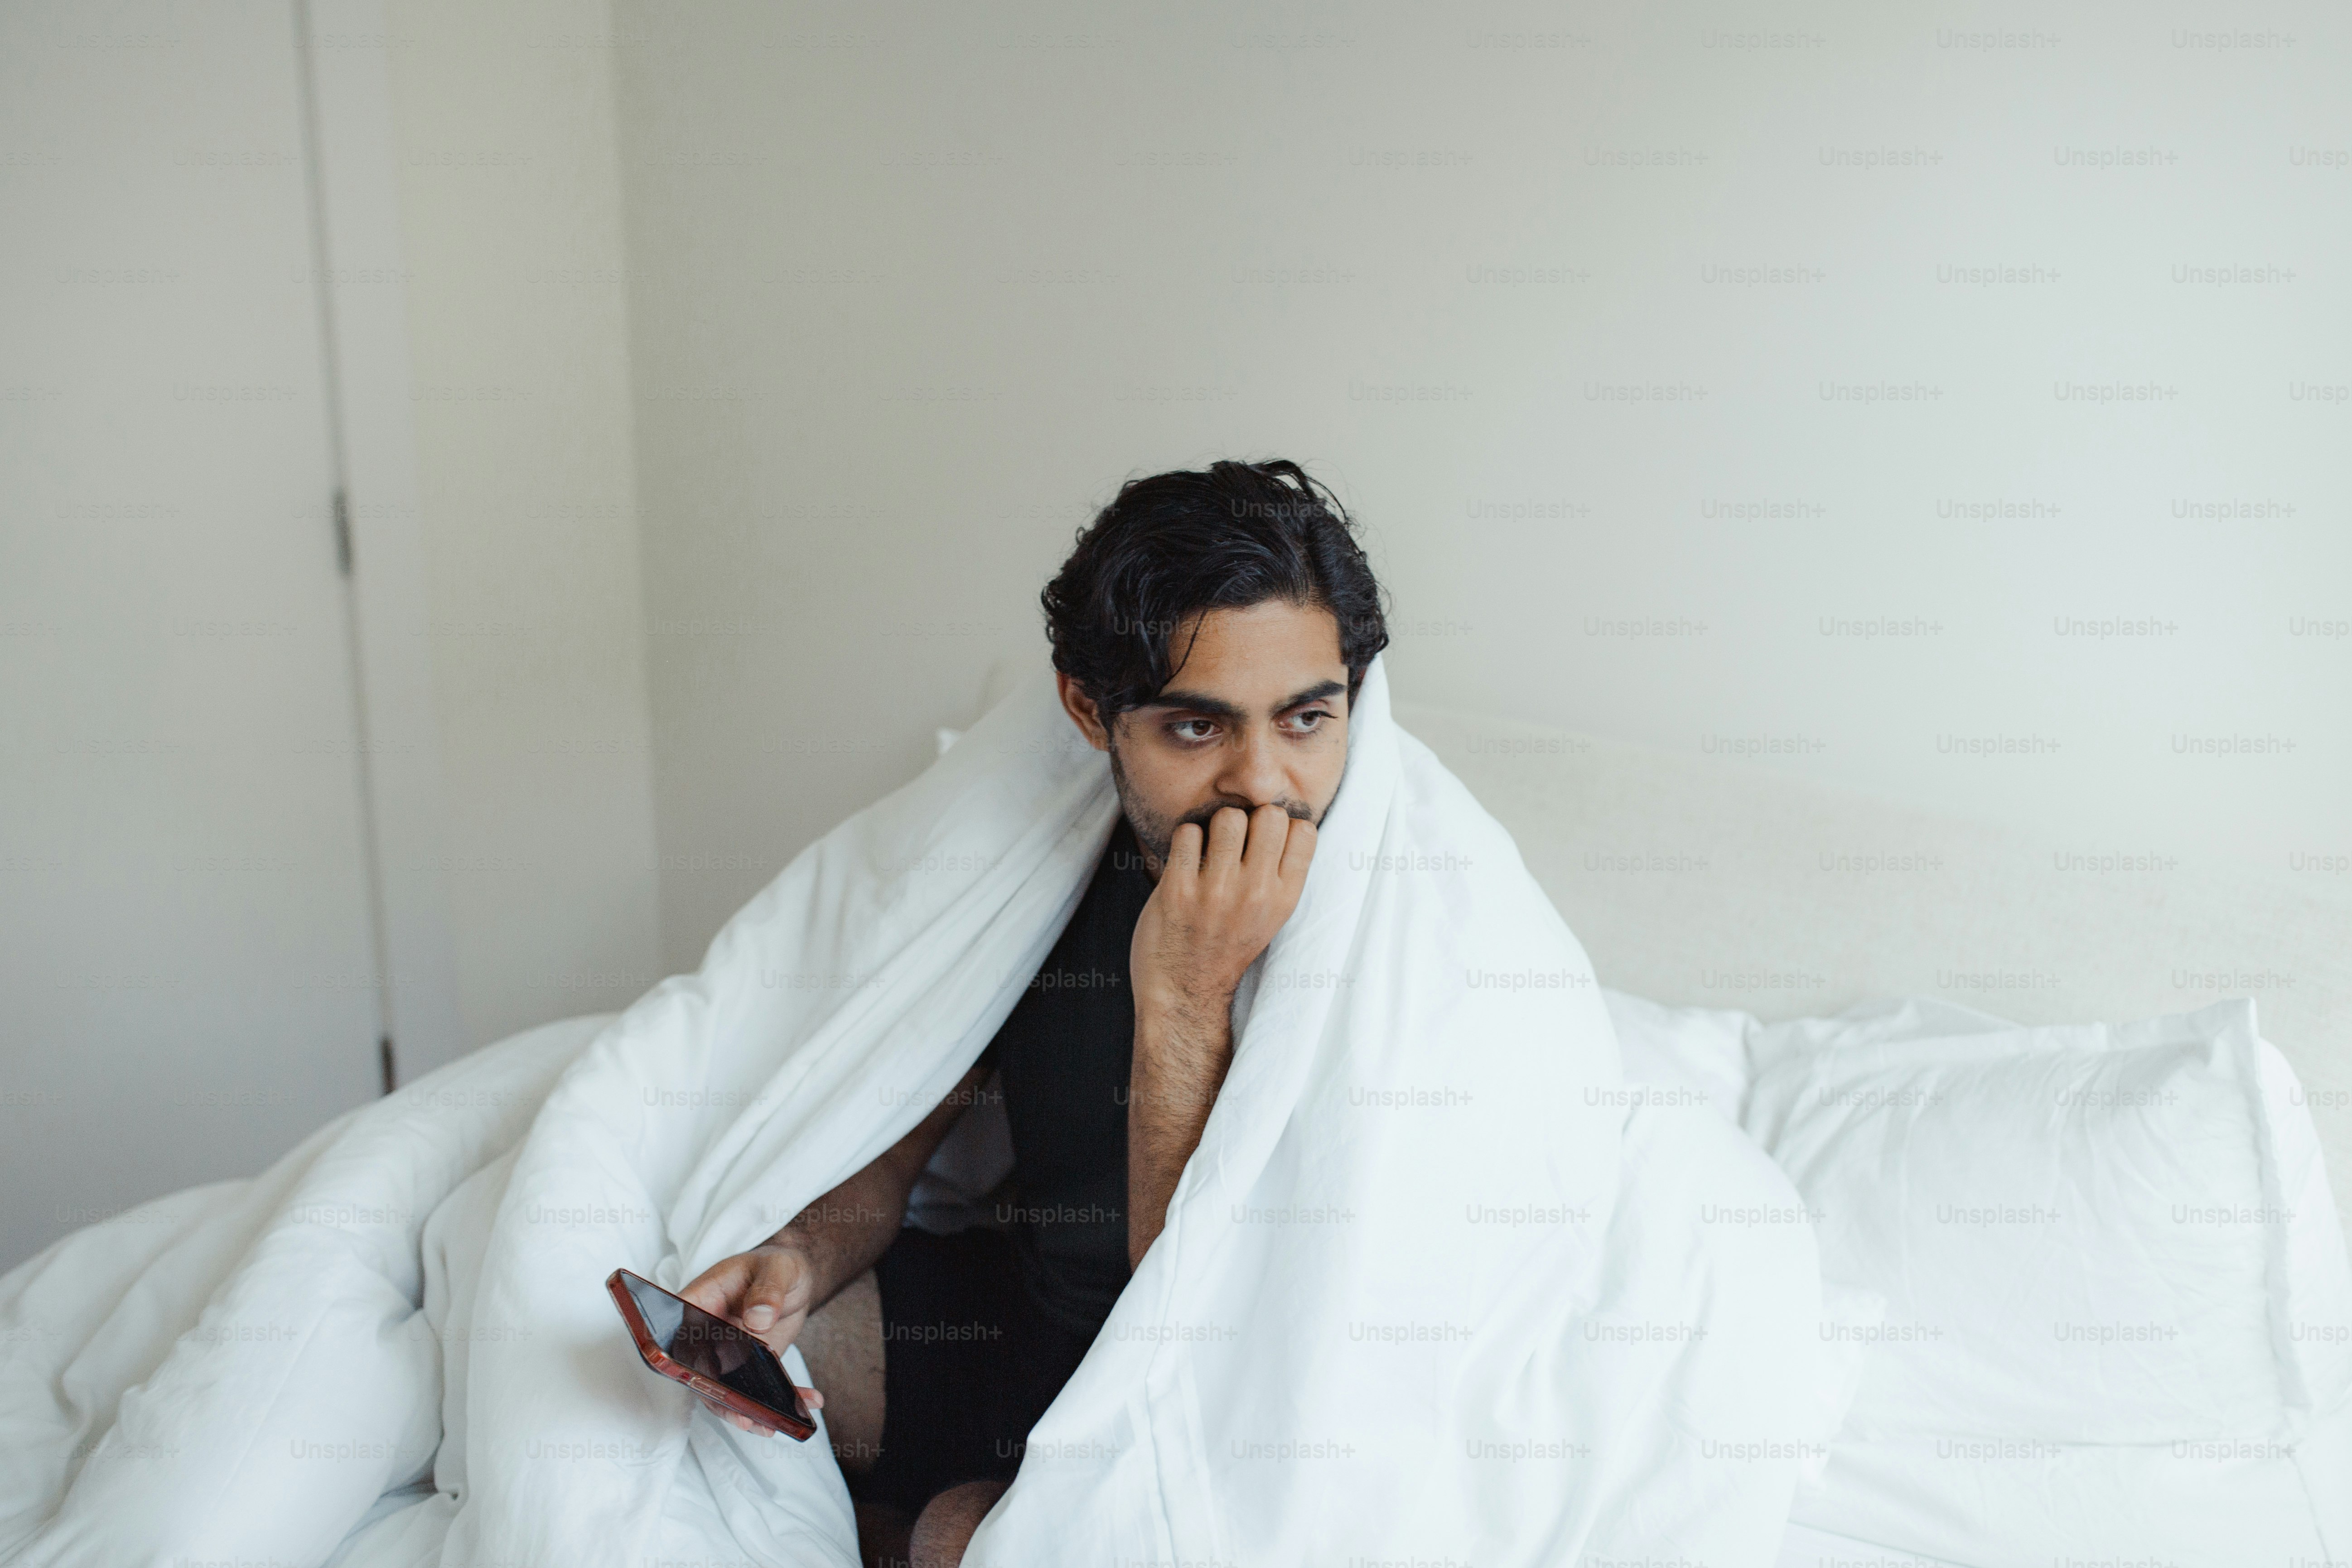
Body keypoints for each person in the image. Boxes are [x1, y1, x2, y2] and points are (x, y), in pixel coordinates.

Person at [680, 459, 1389, 1568]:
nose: (1264, 784)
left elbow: (1206, 1327)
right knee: (709, 1365)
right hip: (1012, 1337)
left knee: (966, 1538)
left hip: (1181, 1401)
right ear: (1088, 710)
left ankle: (914, 1529)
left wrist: (1190, 992)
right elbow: (900, 1134)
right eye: (1197, 730)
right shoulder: (1043, 871)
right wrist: (801, 1258)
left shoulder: (1378, 925)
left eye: (1306, 717)